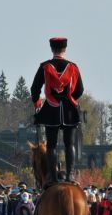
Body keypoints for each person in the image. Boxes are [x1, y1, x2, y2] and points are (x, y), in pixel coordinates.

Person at [30, 36, 84, 184]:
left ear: (52, 49)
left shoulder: (45, 66)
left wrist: (37, 103)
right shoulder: (73, 67)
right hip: (69, 110)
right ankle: (70, 176)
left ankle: (52, 178)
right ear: (65, 49)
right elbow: (80, 90)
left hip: (51, 109)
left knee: (52, 145)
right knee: (69, 144)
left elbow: (35, 88)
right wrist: (71, 99)